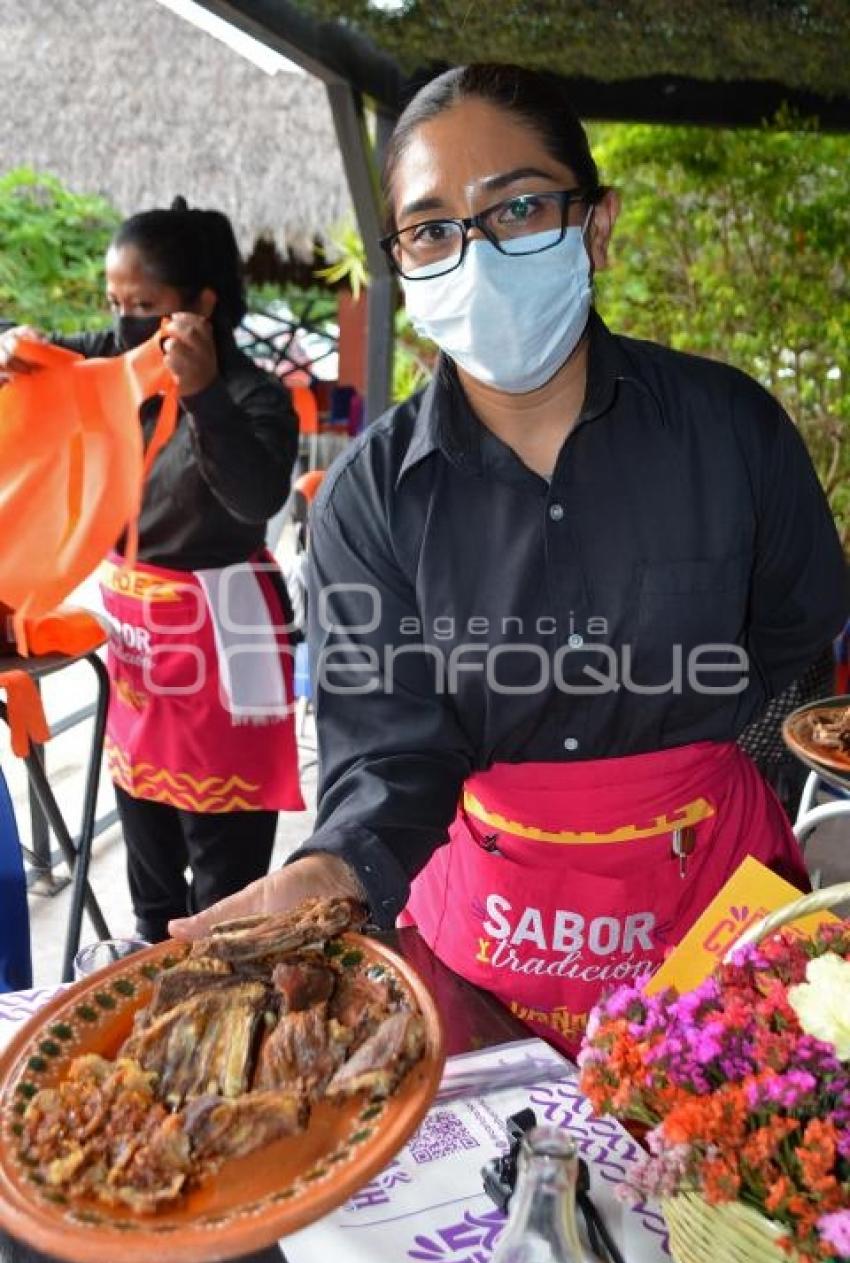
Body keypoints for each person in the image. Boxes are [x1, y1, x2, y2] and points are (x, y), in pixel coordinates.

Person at [169, 66, 847, 1056]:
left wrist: (722, 798)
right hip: (488, 937)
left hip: (718, 906)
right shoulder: (367, 498)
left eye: (520, 207)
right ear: (402, 261)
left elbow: (794, 649)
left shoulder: (732, 431)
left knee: (723, 1180)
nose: (475, 256)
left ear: (596, 226)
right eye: (433, 227)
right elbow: (387, 751)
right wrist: (332, 868)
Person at [0, 199, 303, 941]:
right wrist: (22, 349)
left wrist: (201, 396)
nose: (125, 320)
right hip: (138, 642)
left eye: (145, 305)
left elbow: (259, 495)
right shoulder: (121, 362)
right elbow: (63, 355)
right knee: (148, 845)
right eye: (116, 303)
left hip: (224, 641)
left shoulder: (253, 394)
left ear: (200, 304)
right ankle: (144, 972)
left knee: (225, 868)